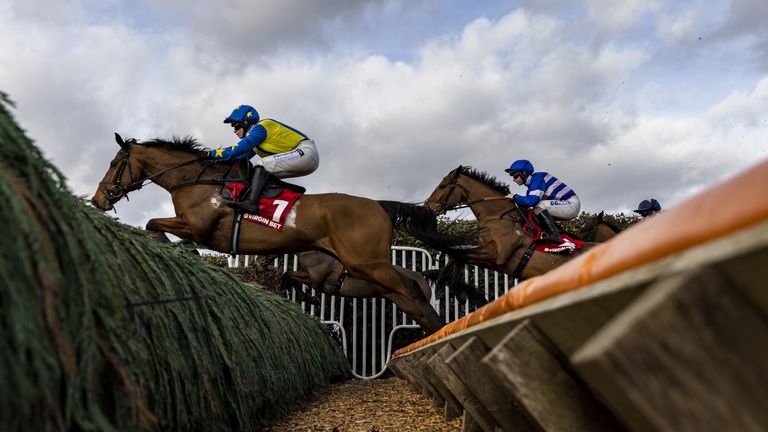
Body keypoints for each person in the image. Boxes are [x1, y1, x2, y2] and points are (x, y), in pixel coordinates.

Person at [200, 104, 319, 214]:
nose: (234, 130)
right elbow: (239, 157)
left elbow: (236, 149)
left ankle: (252, 203)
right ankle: (288, 193)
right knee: (256, 173)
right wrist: (215, 162)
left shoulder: (261, 127)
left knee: (261, 164)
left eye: (235, 126)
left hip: (305, 152)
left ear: (245, 122)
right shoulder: (256, 141)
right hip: (303, 157)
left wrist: (210, 154)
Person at [504, 159, 580, 244]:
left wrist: (515, 196)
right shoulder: (532, 187)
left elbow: (532, 201)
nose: (513, 180)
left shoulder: (537, 178)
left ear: (524, 173)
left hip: (571, 204)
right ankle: (547, 233)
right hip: (566, 204)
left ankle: (555, 235)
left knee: (539, 205)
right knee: (533, 210)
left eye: (515, 176)